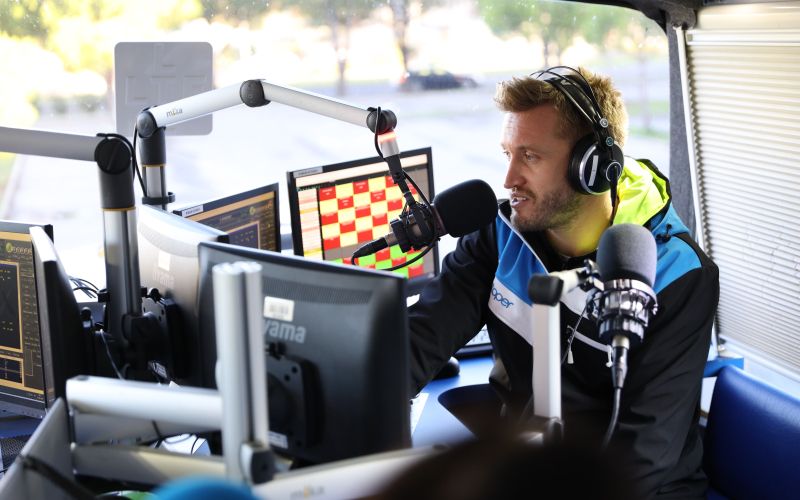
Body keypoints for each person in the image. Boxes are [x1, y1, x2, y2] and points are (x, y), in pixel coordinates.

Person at [407, 66, 719, 499]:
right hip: (529, 472)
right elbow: (418, 340)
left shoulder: (677, 274)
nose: (509, 179)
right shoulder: (499, 235)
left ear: (592, 167)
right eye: (508, 153)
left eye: (530, 156)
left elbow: (643, 457)